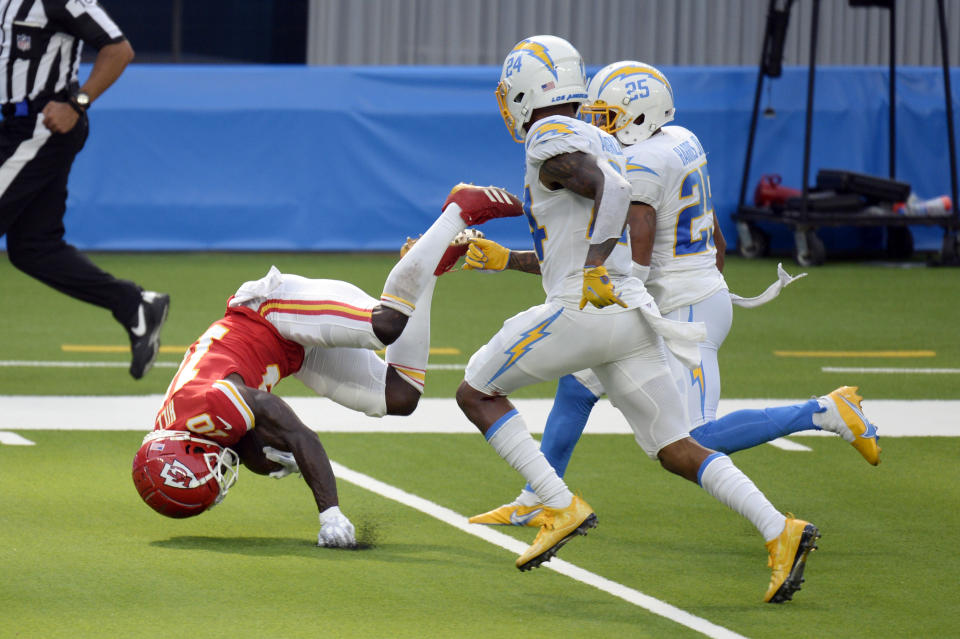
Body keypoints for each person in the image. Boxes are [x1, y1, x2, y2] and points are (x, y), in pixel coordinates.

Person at [459, 40, 818, 603]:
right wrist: (509, 259)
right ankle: (780, 529)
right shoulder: (601, 136)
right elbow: (579, 235)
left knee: (476, 389)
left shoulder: (547, 134)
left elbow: (614, 194)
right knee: (676, 447)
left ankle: (557, 505)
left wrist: (596, 261)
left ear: (529, 89)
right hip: (630, 311)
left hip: (587, 306)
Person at [132, 184, 522, 547]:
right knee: (399, 396)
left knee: (386, 324)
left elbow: (300, 434)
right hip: (290, 353)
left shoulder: (202, 409)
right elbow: (247, 441)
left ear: (185, 452)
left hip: (271, 312)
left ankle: (459, 208)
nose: (219, 474)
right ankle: (429, 267)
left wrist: (329, 512)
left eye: (209, 471)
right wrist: (267, 459)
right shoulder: (186, 426)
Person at [0, 0, 168, 379]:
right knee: (33, 248)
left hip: (42, 125)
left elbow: (118, 49)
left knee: (33, 246)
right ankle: (134, 305)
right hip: (15, 125)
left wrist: (77, 103)